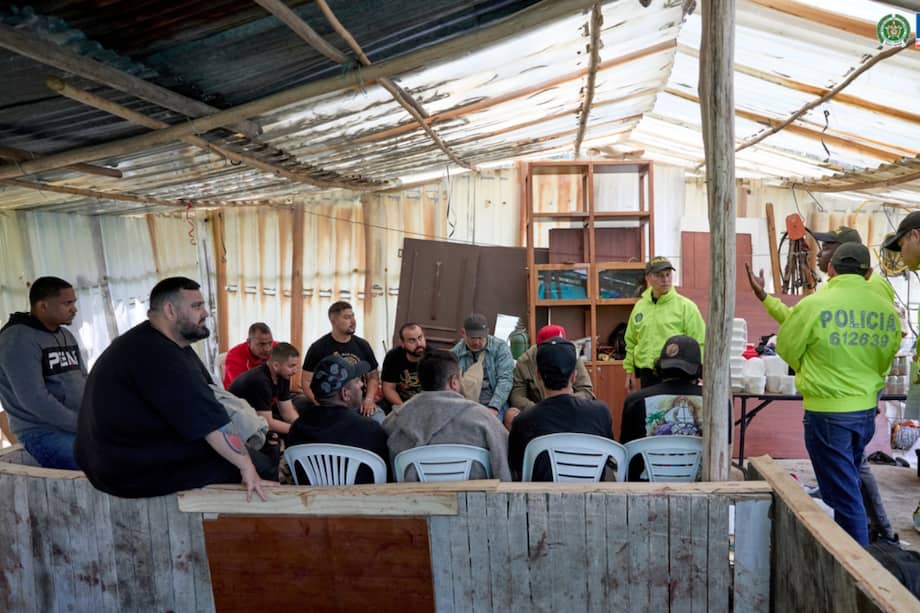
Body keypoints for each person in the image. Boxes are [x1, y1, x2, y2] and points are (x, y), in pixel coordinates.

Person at [748, 225, 899, 544]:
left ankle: (854, 565)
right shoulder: (886, 308)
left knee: (844, 497)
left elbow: (787, 347)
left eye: (827, 248)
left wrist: (812, 366)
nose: (820, 253)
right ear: (868, 271)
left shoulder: (817, 304)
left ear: (831, 268)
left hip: (827, 412)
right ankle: (864, 545)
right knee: (847, 483)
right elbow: (888, 352)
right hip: (864, 409)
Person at [75, 277, 272, 500]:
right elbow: (210, 423)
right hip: (122, 467)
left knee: (254, 451)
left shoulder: (167, 344)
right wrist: (247, 468)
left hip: (126, 451)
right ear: (170, 310)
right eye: (196, 306)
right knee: (256, 465)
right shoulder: (155, 354)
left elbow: (209, 395)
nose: (205, 313)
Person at [384, 349, 511, 481]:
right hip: (473, 499)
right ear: (454, 381)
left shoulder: (394, 421)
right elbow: (504, 469)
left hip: (415, 499)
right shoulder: (484, 419)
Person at [0, 276, 85, 469]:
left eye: (74, 302)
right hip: (42, 433)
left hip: (75, 426)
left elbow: (82, 378)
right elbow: (35, 399)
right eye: (67, 303)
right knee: (101, 465)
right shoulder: (17, 339)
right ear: (43, 306)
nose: (74, 309)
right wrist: (81, 424)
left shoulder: (65, 334)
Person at [507, 337, 613, 481]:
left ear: (538, 375)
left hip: (540, 500)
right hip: (591, 498)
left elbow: (518, 467)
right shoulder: (601, 413)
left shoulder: (522, 422)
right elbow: (609, 459)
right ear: (574, 376)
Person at [287, 355, 390, 484]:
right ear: (345, 394)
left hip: (314, 500)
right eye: (357, 380)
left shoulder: (297, 429)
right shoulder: (370, 430)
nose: (362, 384)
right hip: (361, 501)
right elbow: (386, 475)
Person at [620, 336, 704, 480]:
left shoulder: (636, 401)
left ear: (660, 366)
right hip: (700, 487)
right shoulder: (715, 402)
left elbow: (625, 451)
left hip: (644, 489)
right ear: (698, 369)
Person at [624, 257, 705, 391]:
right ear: (648, 278)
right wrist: (629, 371)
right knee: (651, 412)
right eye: (659, 275)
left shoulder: (686, 307)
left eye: (668, 275)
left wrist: (699, 372)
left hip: (678, 375)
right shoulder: (640, 307)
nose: (665, 279)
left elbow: (700, 342)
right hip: (647, 375)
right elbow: (631, 342)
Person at [228, 342, 301, 474]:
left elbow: (288, 413)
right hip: (235, 422)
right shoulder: (260, 381)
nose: (295, 370)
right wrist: (299, 430)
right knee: (274, 444)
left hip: (256, 415)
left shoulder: (284, 375)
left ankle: (291, 466)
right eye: (292, 366)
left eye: (296, 366)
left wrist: (303, 427)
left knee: (298, 428)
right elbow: (268, 422)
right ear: (276, 365)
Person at [300, 301, 381, 420]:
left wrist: (369, 399)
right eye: (347, 317)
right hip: (330, 405)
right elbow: (306, 382)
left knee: (378, 421)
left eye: (353, 316)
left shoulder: (363, 345)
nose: (353, 321)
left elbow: (373, 377)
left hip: (359, 402)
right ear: (334, 321)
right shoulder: (318, 348)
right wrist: (322, 404)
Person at [510, 324, 594, 416]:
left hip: (570, 409)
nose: (558, 352)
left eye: (562, 347)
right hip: (537, 412)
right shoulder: (525, 361)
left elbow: (586, 391)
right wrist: (540, 409)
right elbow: (517, 396)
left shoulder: (571, 356)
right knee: (510, 415)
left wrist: (562, 405)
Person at [450, 313, 515, 423]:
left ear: (487, 332)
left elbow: (505, 379)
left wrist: (494, 407)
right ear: (463, 333)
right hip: (465, 404)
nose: (476, 342)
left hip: (493, 403)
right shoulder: (455, 353)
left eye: (480, 338)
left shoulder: (500, 348)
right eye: (472, 338)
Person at [380, 323, 426, 411]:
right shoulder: (393, 356)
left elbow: (438, 392)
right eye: (412, 340)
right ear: (402, 343)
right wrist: (404, 408)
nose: (419, 343)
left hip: (425, 405)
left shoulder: (433, 357)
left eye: (420, 338)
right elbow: (388, 388)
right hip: (399, 402)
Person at [222, 322, 277, 388]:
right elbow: (241, 387)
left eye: (270, 343)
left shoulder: (276, 348)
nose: (267, 349)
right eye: (262, 344)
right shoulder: (234, 356)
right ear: (249, 342)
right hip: (239, 395)